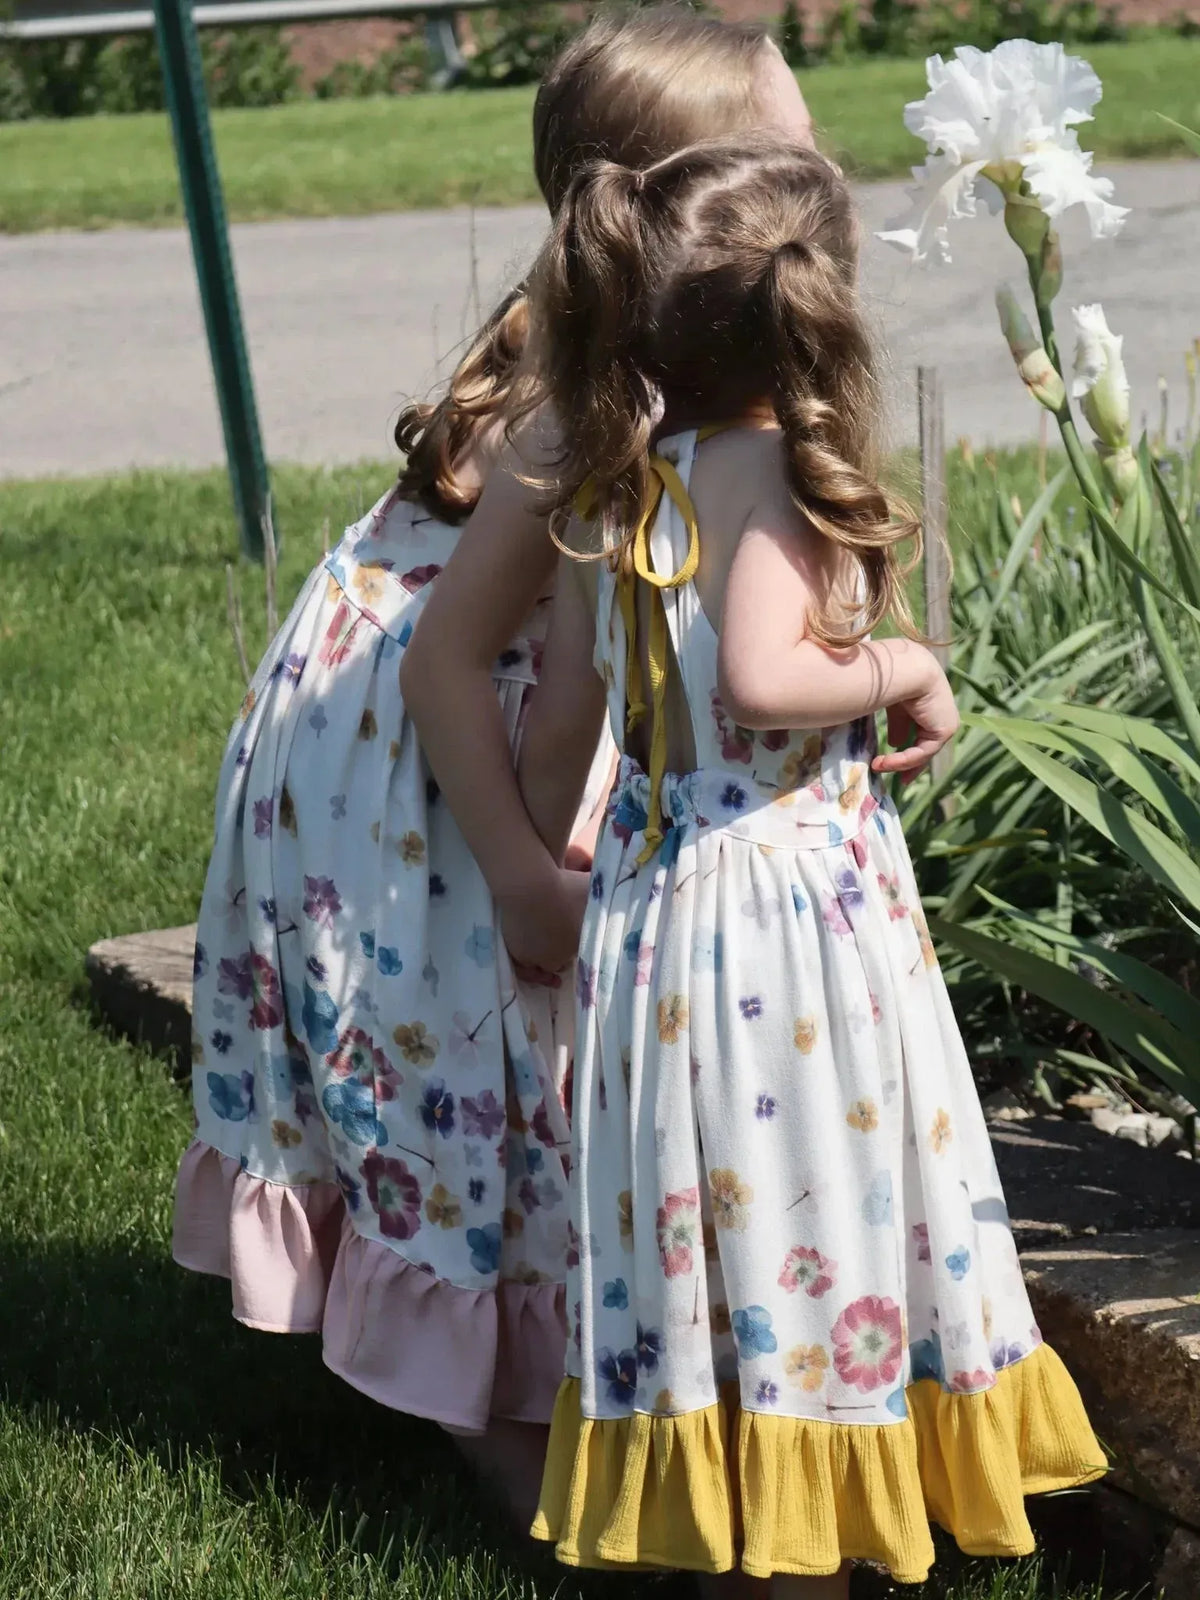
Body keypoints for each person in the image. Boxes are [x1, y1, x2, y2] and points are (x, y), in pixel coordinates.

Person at [173, 6, 817, 1530]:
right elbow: (460, 667)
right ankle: (506, 1435)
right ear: (678, 203)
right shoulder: (596, 403)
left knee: (543, 1042)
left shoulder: (653, 345)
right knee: (485, 1059)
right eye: (795, 162)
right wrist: (525, 874)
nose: (826, 194)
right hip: (412, 761)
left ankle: (555, 1374)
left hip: (446, 712)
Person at [505, 138, 1107, 1593]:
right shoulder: (773, 474)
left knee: (708, 1200)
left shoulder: (632, 482)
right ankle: (799, 1543)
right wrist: (910, 661)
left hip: (668, 916)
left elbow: (580, 702)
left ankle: (733, 1517)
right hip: (776, 926)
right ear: (813, 310)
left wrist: (546, 845)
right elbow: (771, 681)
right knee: (796, 1202)